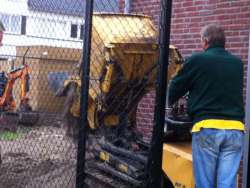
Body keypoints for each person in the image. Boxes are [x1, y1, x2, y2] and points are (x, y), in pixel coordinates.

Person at [168, 24, 245, 188]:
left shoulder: (197, 59)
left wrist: (169, 102)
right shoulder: (237, 64)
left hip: (207, 128)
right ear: (223, 42)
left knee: (205, 183)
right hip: (235, 130)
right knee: (227, 183)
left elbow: (175, 86)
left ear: (206, 41)